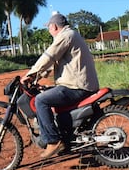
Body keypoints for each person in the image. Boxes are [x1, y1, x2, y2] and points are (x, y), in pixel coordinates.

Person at [20, 12, 100, 159]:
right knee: (46, 94)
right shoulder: (71, 35)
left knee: (41, 100)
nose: (49, 31)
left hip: (77, 86)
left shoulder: (66, 36)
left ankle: (53, 141)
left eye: (49, 28)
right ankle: (64, 137)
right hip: (78, 83)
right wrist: (37, 77)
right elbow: (54, 62)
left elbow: (49, 56)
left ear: (54, 26)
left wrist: (30, 74)